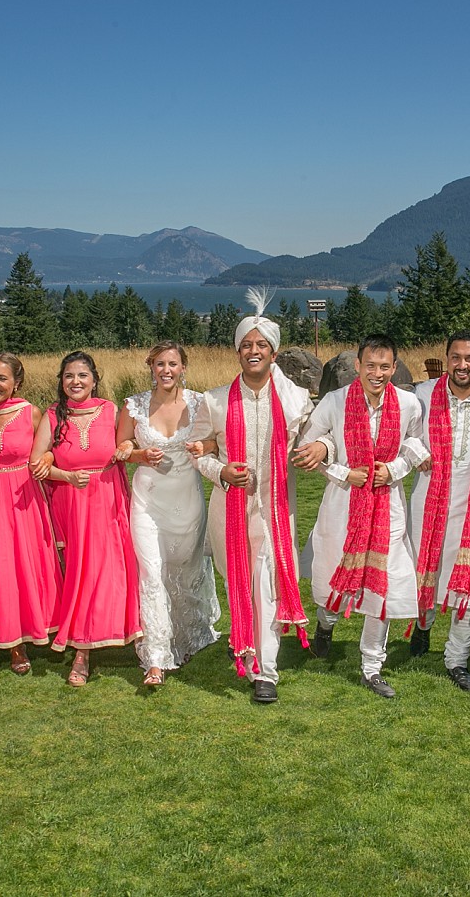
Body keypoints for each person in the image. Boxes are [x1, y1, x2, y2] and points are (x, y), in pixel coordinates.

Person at [189, 289, 321, 704]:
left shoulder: (296, 400)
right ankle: (244, 638)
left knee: (266, 583)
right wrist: (221, 471)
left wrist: (321, 450)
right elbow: (197, 450)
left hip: (274, 511)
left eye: (261, 345)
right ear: (236, 352)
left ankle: (266, 671)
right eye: (246, 345)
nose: (253, 351)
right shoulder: (213, 400)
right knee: (240, 584)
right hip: (228, 509)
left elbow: (319, 439)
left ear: (274, 352)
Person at [301, 334, 427, 698]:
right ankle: (326, 625)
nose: (377, 373)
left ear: (394, 367)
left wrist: (396, 468)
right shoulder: (335, 402)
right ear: (357, 365)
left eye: (385, 366)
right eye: (370, 365)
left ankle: (372, 666)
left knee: (380, 584)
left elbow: (417, 445)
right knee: (332, 576)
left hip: (387, 509)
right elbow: (311, 445)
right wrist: (343, 472)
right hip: (342, 506)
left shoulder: (408, 404)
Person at [407, 330, 470, 692]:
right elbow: (405, 433)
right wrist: (417, 452)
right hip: (429, 501)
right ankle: (422, 626)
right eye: (456, 357)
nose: (462, 365)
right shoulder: (422, 395)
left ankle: (457, 658)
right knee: (425, 571)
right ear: (447, 358)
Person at [115, 342, 220, 686]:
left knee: (185, 568)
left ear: (183, 368)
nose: (166, 370)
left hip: (187, 499)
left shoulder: (200, 402)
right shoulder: (134, 405)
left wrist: (203, 446)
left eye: (172, 364)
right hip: (148, 500)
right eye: (160, 364)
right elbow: (122, 448)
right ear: (151, 367)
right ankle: (156, 657)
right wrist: (139, 454)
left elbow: (215, 442)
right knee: (152, 571)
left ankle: (188, 636)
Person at [39, 351, 142, 686]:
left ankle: (134, 637)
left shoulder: (111, 410)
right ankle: (82, 651)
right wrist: (63, 474)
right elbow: (35, 463)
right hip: (72, 503)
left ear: (94, 379)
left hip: (108, 499)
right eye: (69, 376)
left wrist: (126, 449)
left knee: (115, 570)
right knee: (81, 573)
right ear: (62, 381)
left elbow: (130, 442)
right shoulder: (53, 415)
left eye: (82, 375)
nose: (76, 382)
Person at [0, 352, 63, 677]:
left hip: (22, 502)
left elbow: (53, 446)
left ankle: (17, 643)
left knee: (17, 571)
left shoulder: (30, 413)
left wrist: (46, 455)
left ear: (16, 382)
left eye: (2, 378)